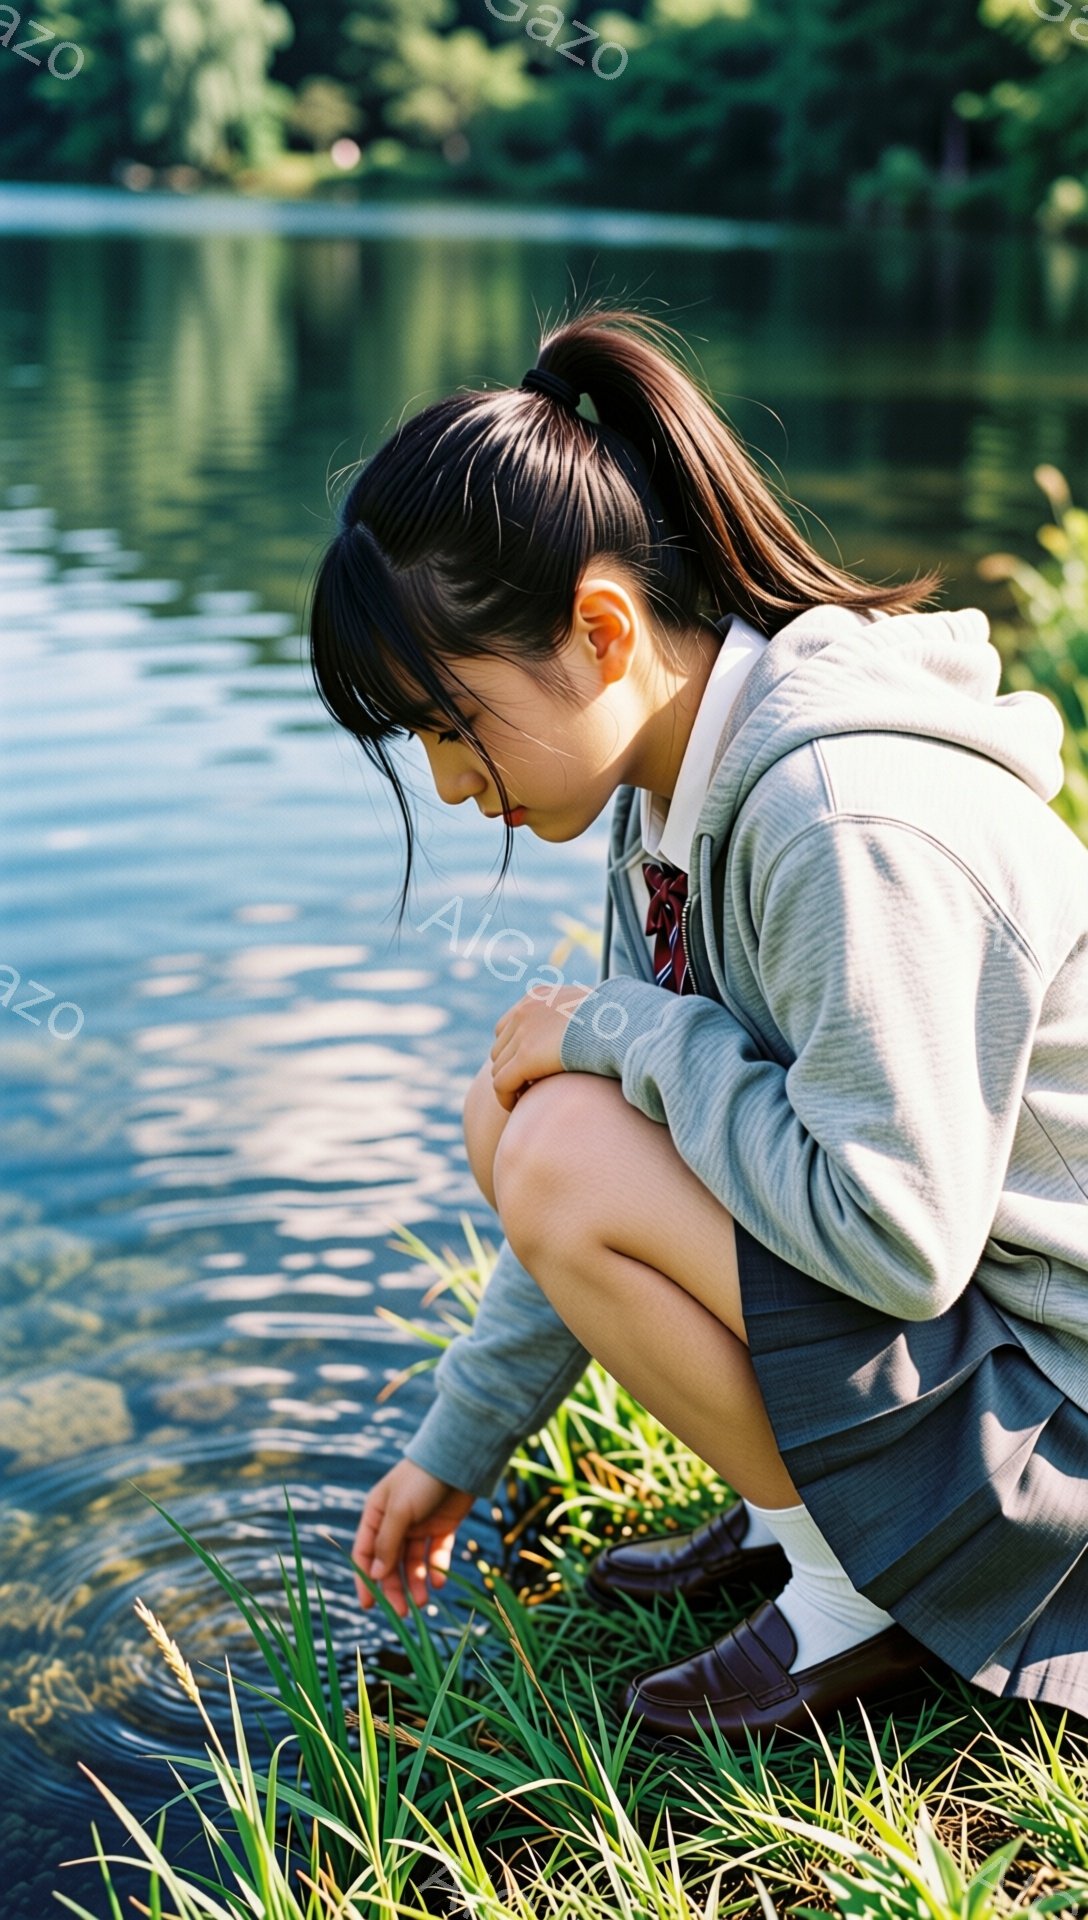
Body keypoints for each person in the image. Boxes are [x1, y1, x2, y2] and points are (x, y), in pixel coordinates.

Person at [307, 303, 1088, 1742]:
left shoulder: (842, 819)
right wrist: (457, 1446)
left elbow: (895, 1241)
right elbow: (633, 1145)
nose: (450, 783)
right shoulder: (673, 792)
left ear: (601, 631)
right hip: (985, 1361)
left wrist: (631, 1034)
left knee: (563, 1133)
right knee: (527, 1112)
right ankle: (807, 1515)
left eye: (452, 723)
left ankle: (863, 1592)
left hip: (1060, 1454)